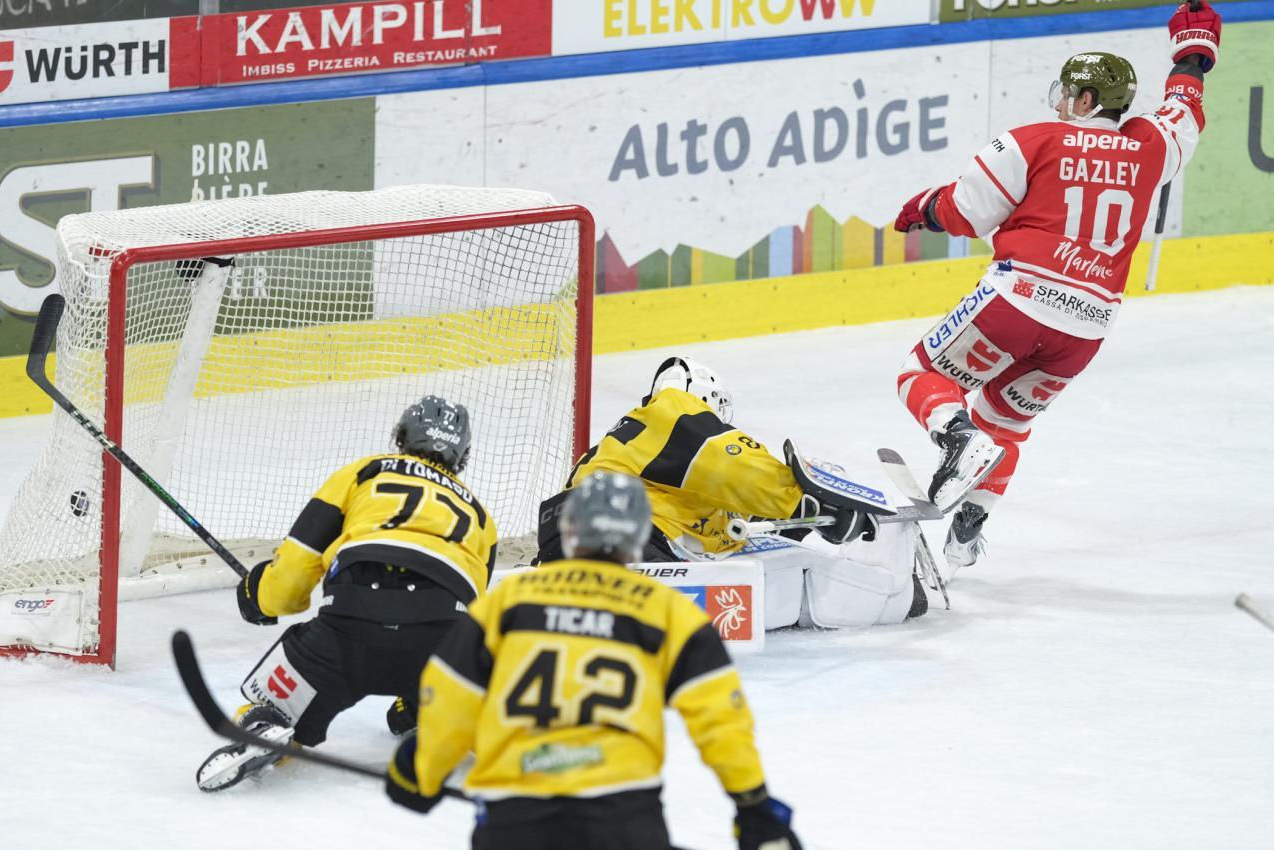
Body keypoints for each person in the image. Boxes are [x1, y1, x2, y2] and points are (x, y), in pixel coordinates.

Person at [891, 2, 1222, 569]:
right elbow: (1184, 108)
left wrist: (923, 208)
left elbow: (966, 212)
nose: (1061, 100)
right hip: (1086, 329)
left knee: (920, 376)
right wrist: (1193, 52)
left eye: (1069, 92)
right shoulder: (1150, 147)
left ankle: (956, 440)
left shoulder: (1033, 141)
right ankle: (968, 530)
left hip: (1018, 301)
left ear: (1087, 101)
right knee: (1007, 423)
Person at [386, 470, 804, 850]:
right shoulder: (670, 613)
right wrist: (753, 806)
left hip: (514, 819)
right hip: (623, 819)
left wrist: (423, 770)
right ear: (640, 533)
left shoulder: (509, 601)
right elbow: (721, 721)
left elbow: (449, 697)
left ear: (569, 530)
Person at [195, 395, 497, 791]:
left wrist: (260, 596)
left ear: (402, 436)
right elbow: (475, 611)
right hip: (440, 637)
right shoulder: (481, 517)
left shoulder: (365, 472)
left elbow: (299, 562)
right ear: (464, 454)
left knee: (275, 706)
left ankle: (266, 725)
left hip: (349, 624)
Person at [537, 355, 929, 625]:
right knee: (792, 578)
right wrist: (801, 501)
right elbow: (734, 465)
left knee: (760, 565)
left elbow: (724, 525)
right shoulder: (675, 409)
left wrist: (797, 522)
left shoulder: (631, 449)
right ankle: (893, 595)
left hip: (573, 547)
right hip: (623, 545)